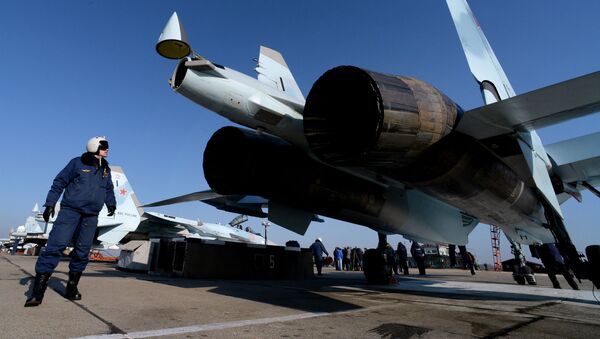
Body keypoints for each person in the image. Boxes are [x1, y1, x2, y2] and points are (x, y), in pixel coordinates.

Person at [25, 137, 116, 307]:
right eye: (104, 147)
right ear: (95, 147)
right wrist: (50, 203)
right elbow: (59, 182)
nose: (107, 149)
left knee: (82, 251)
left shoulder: (105, 169)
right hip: (70, 212)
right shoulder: (77, 163)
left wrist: (111, 203)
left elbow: (109, 188)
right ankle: (37, 292)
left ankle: (71, 288)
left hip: (91, 216)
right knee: (55, 246)